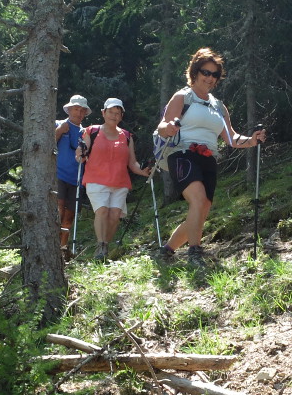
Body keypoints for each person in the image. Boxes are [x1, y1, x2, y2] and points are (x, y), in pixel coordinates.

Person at [155, 48, 266, 264]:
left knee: (203, 207)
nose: (210, 78)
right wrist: (167, 128)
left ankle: (167, 250)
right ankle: (194, 252)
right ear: (195, 72)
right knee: (197, 200)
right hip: (182, 153)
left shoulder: (218, 106)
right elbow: (162, 126)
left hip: (208, 158)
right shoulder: (182, 96)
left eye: (215, 74)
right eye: (206, 72)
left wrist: (253, 140)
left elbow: (232, 138)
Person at [76, 98, 152, 260]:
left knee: (115, 216)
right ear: (103, 113)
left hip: (119, 182)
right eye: (111, 112)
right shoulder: (92, 131)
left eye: (118, 113)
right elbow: (82, 151)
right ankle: (101, 245)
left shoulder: (126, 136)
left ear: (121, 116)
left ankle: (105, 248)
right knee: (102, 210)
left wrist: (143, 171)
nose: (114, 115)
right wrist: (80, 154)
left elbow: (132, 162)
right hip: (96, 179)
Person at [54, 94, 90, 257]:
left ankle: (62, 248)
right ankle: (52, 246)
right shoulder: (59, 124)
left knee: (69, 216)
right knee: (58, 211)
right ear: (69, 109)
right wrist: (60, 131)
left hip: (77, 179)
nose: (79, 113)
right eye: (76, 109)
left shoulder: (85, 132)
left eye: (82, 110)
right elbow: (46, 143)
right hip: (59, 176)